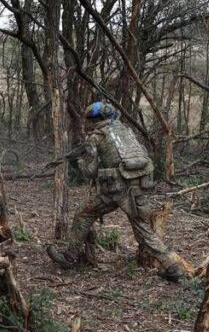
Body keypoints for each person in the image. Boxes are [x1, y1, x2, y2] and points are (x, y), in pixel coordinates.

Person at [47, 101, 188, 282]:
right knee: (143, 228)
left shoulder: (96, 137)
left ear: (94, 120)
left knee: (83, 214)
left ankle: (69, 257)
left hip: (116, 190)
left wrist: (79, 162)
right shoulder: (126, 131)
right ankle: (172, 266)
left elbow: (89, 172)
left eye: (88, 120)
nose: (86, 123)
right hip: (140, 184)